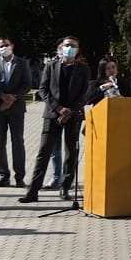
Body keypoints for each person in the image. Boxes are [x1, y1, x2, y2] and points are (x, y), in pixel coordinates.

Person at [18, 36, 92, 204]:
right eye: (67, 45)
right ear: (60, 48)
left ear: (78, 50)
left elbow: (85, 93)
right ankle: (33, 191)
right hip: (52, 114)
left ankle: (65, 187)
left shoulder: (83, 69)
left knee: (71, 152)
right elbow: (43, 90)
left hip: (73, 115)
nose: (69, 48)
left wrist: (70, 111)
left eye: (73, 46)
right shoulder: (51, 66)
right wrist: (58, 109)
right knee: (44, 152)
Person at [0, 35, 31, 188]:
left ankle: (19, 177)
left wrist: (12, 99)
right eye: (1, 46)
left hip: (16, 108)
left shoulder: (22, 64)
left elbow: (27, 84)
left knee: (17, 141)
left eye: (6, 45)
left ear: (12, 45)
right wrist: (2, 97)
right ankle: (4, 176)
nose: (4, 47)